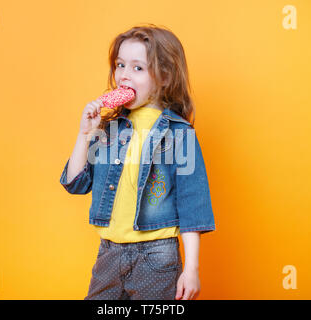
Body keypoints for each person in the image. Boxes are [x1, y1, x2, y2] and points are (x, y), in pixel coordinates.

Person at [60, 24, 216, 300]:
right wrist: (85, 134)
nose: (123, 76)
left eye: (137, 68)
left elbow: (194, 205)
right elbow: (75, 183)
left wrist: (191, 269)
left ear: (165, 77)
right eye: (120, 65)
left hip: (156, 257)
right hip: (109, 252)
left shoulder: (179, 135)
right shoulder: (108, 129)